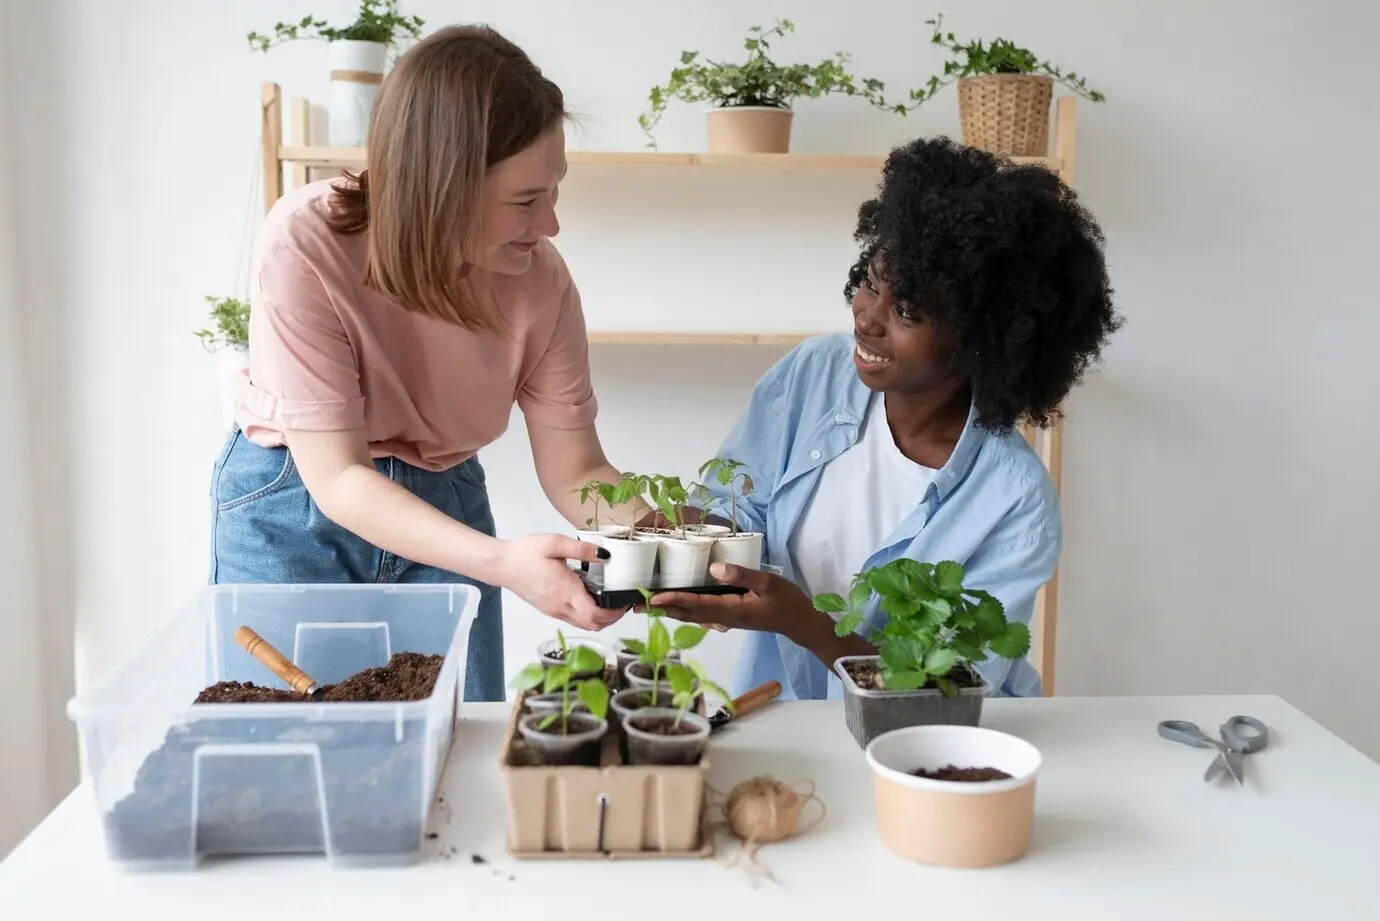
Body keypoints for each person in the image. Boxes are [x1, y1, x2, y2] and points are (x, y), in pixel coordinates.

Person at [209, 25, 652, 701]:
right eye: (525, 201)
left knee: (459, 744)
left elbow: (578, 470)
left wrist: (672, 548)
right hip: (293, 502)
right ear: (439, 186)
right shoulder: (308, 242)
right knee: (289, 739)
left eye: (554, 191)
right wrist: (503, 563)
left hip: (446, 499)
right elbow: (340, 477)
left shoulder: (542, 282)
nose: (551, 225)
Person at [651, 136, 1122, 701]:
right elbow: (737, 505)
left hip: (939, 739)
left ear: (981, 342)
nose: (867, 319)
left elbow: (949, 684)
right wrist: (682, 544)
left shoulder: (1015, 500)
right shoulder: (813, 373)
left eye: (905, 312)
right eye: (871, 284)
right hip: (783, 714)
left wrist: (803, 622)